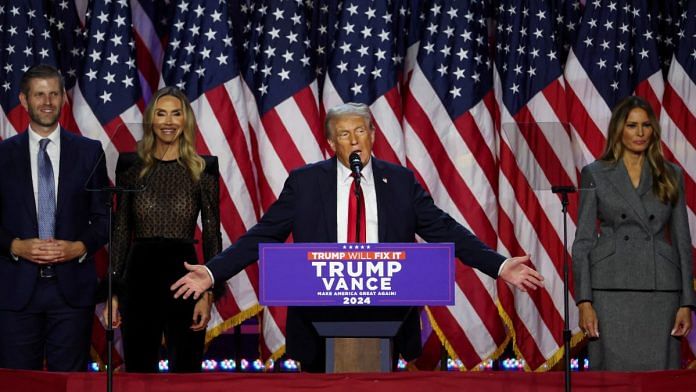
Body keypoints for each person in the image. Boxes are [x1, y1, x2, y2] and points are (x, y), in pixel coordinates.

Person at [171, 102, 544, 371]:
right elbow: (263, 235)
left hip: (387, 316)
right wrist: (213, 272)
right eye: (345, 134)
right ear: (331, 143)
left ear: (373, 135)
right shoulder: (305, 182)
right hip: (319, 318)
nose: (354, 140)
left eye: (361, 131)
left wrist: (499, 265)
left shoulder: (399, 181)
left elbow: (444, 228)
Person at [572, 96, 694, 370]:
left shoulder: (671, 174)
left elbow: (682, 241)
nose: (640, 133)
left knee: (659, 379)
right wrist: (584, 300)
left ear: (654, 130)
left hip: (660, 291)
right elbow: (583, 242)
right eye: (632, 125)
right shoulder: (595, 173)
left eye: (646, 126)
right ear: (619, 129)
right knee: (612, 379)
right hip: (609, 290)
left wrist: (687, 302)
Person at [104, 87, 221, 373]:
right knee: (139, 368)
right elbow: (121, 230)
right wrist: (113, 292)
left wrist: (208, 294)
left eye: (176, 114)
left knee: (187, 368)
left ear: (186, 121)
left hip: (187, 275)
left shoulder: (203, 168)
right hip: (139, 274)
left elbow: (211, 233)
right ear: (151, 120)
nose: (168, 121)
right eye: (161, 113)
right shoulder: (131, 166)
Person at [0, 65, 109, 371]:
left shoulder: (90, 152)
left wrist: (79, 247)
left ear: (63, 98)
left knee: (70, 383)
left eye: (53, 94)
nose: (47, 101)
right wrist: (16, 246)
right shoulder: (3, 156)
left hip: (71, 292)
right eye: (39, 94)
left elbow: (104, 218)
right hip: (15, 291)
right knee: (19, 384)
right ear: (24, 100)